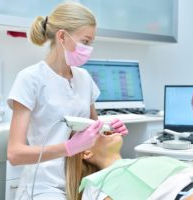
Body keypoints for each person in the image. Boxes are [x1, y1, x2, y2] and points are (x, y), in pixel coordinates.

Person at [7, 2, 128, 200]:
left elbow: (94, 132)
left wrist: (109, 129)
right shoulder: (30, 78)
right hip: (43, 186)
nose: (89, 49)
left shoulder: (84, 78)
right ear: (62, 36)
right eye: (85, 41)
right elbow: (15, 154)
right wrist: (70, 147)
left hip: (81, 180)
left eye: (91, 42)